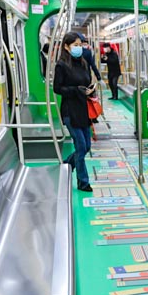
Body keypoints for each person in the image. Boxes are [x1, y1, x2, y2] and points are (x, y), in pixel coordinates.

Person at [53, 32, 94, 192]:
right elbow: (57, 88)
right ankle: (83, 182)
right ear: (66, 46)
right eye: (75, 45)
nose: (79, 48)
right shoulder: (61, 65)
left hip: (83, 109)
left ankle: (66, 165)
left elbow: (87, 81)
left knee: (86, 146)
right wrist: (76, 90)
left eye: (80, 45)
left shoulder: (83, 63)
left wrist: (89, 90)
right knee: (81, 146)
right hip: (70, 110)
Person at [72, 33, 101, 140]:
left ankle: (86, 120)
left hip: (76, 82)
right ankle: (92, 118)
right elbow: (93, 66)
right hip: (86, 80)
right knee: (90, 100)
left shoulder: (69, 54)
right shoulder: (88, 53)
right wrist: (98, 77)